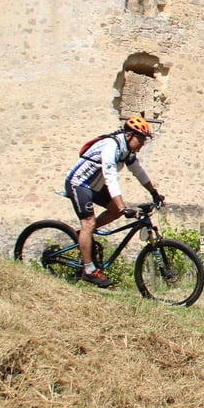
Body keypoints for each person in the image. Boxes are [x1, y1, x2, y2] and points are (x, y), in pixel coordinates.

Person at [64, 115, 164, 288]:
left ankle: (83, 237)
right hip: (80, 183)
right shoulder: (111, 146)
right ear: (128, 135)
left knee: (112, 214)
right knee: (89, 222)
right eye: (140, 140)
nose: (141, 146)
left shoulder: (127, 151)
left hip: (96, 185)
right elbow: (110, 177)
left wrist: (154, 193)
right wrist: (122, 207)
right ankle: (89, 271)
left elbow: (138, 172)